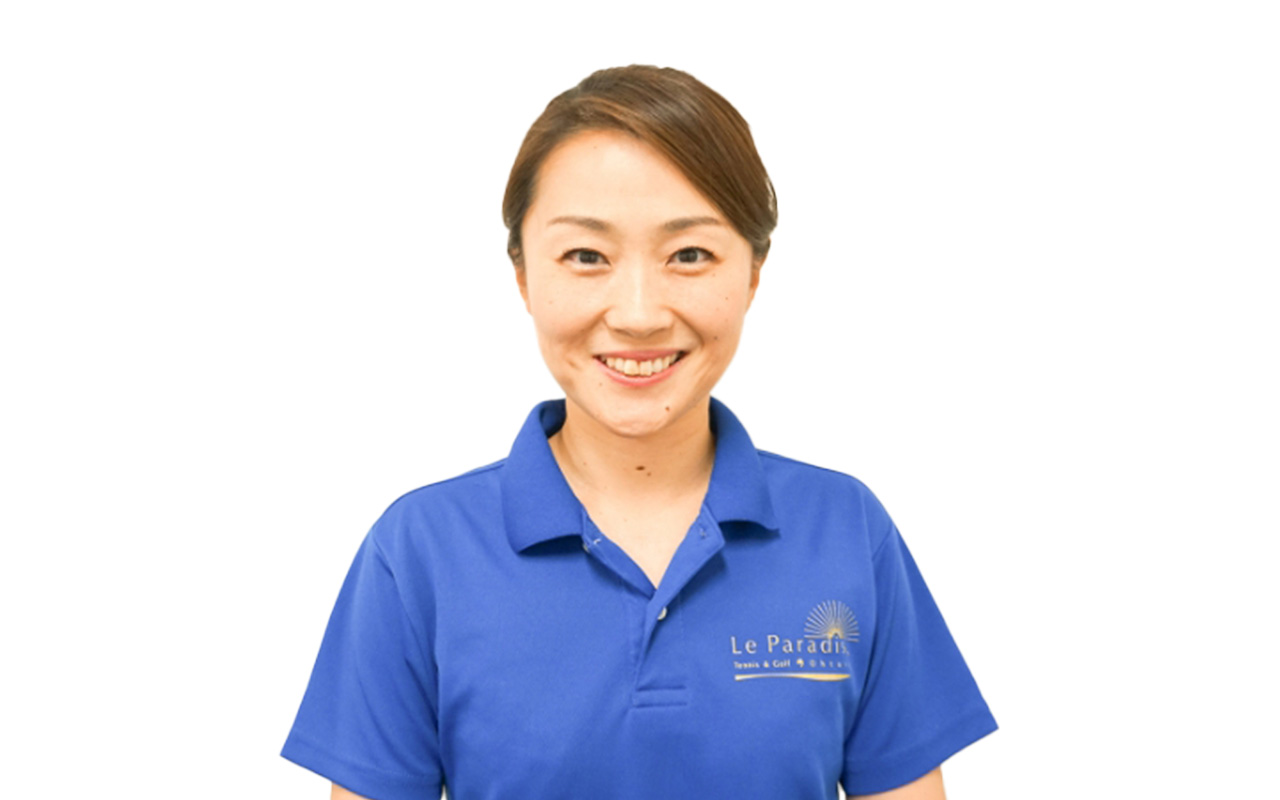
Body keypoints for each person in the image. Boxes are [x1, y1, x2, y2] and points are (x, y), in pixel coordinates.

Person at [281, 64, 997, 800]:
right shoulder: (419, 553)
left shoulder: (846, 532)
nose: (639, 314)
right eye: (586, 257)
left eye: (689, 255)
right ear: (523, 276)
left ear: (753, 274)